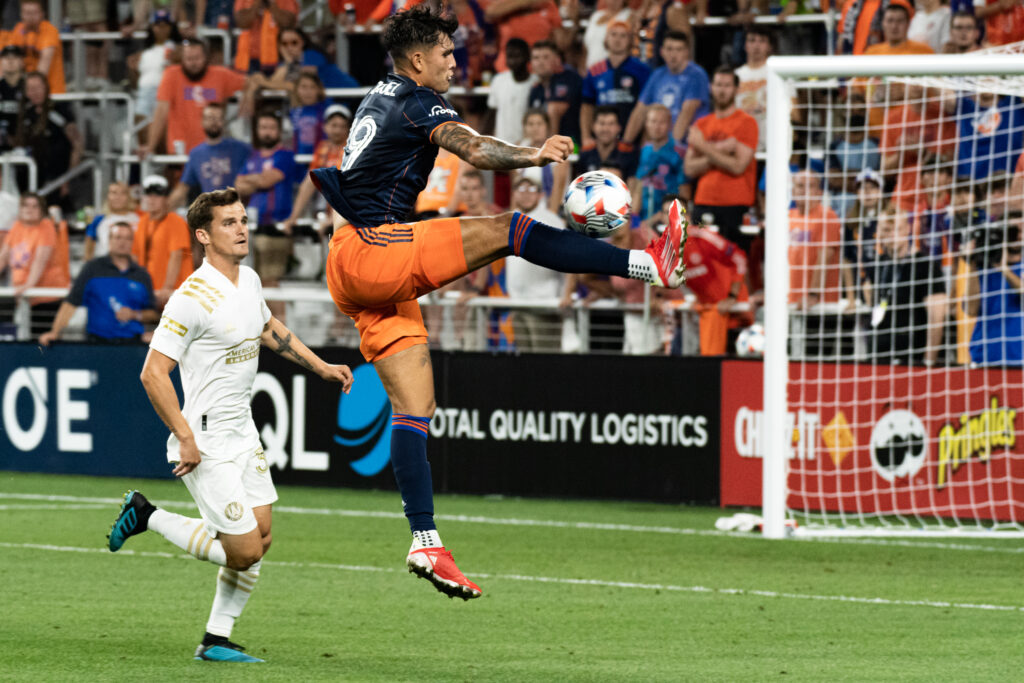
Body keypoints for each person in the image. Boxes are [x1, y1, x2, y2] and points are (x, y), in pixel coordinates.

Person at [309, 7, 687, 599]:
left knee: (414, 409)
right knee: (510, 228)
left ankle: (426, 542)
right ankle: (649, 264)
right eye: (444, 53)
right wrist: (534, 154)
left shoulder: (381, 91)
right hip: (372, 249)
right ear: (416, 60)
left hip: (348, 259)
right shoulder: (416, 99)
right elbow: (476, 150)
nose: (454, 63)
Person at [106, 187, 353, 663]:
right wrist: (184, 436)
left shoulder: (250, 280)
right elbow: (153, 372)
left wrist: (321, 366)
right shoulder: (188, 299)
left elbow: (267, 329)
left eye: (243, 220)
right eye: (229, 222)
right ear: (203, 235)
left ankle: (215, 640)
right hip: (205, 437)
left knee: (261, 537)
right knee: (243, 553)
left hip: (242, 430)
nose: (242, 229)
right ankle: (146, 515)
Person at [40, 222, 156, 345]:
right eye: (118, 237)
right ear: (109, 240)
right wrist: (55, 331)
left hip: (133, 344)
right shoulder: (92, 269)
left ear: (132, 242)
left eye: (127, 238)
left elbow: (153, 314)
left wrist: (134, 314)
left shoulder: (142, 275)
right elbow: (71, 303)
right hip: (97, 344)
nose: (122, 242)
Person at [684, 66, 758, 255]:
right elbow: (689, 168)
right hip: (702, 202)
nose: (722, 90)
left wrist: (704, 147)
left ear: (736, 89)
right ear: (711, 87)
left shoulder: (746, 123)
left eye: (727, 85)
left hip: (735, 205)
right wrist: (722, 148)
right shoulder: (702, 124)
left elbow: (738, 166)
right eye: (718, 85)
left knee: (736, 263)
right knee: (703, 262)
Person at [865, 205, 949, 365]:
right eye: (887, 230)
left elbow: (937, 318)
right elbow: (872, 300)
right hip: (878, 354)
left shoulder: (926, 266)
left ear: (907, 229)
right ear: (879, 232)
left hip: (912, 356)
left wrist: (928, 361)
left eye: (897, 229)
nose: (892, 236)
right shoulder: (877, 265)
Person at [236, 110, 296, 317]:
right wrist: (258, 179)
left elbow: (266, 181)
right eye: (263, 128)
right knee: (255, 281)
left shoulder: (285, 155)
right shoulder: (252, 157)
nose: (267, 132)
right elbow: (238, 186)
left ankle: (282, 331)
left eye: (271, 128)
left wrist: (254, 181)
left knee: (271, 281)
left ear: (279, 131)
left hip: (275, 227)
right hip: (251, 228)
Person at [144, 40, 249, 156]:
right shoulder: (171, 75)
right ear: (182, 59)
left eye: (197, 58)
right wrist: (150, 146)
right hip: (180, 150)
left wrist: (250, 96)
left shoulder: (220, 75)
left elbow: (249, 82)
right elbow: (161, 111)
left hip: (211, 150)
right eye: (189, 59)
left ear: (206, 58)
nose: (193, 63)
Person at [504, 173, 565, 351]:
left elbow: (569, 261)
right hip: (517, 304)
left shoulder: (552, 222)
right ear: (514, 194)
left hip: (544, 304)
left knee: (545, 362)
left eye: (531, 189)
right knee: (524, 363)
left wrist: (566, 294)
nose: (525, 194)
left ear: (540, 194)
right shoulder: (510, 222)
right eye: (521, 189)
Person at [0, 192, 70, 335]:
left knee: (41, 341)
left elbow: (40, 260)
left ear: (41, 210)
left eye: (34, 206)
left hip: (47, 295)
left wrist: (28, 286)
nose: (29, 210)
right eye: (25, 206)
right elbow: (3, 257)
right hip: (26, 295)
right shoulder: (17, 226)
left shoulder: (46, 227)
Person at [623, 30, 709, 146]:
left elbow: (686, 114)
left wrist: (669, 148)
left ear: (687, 52)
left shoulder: (696, 75)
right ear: (661, 52)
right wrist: (625, 144)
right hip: (658, 144)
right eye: (669, 49)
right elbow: (640, 110)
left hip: (685, 146)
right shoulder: (658, 74)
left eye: (679, 49)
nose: (673, 54)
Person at [13, 71, 82, 208]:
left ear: (46, 88)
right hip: (32, 176)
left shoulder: (59, 111)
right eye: (31, 89)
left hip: (57, 177)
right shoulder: (25, 114)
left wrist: (67, 179)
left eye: (39, 87)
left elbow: (77, 145)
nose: (35, 92)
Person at [169, 102, 253, 210]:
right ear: (202, 121)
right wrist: (165, 207)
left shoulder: (240, 148)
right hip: (210, 212)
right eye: (210, 118)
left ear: (223, 121)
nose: (214, 122)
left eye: (218, 118)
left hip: (236, 210)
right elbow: (183, 187)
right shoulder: (196, 154)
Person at [965, 212, 1024, 364]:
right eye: (1013, 230)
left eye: (1022, 229)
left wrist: (1004, 269)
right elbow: (970, 310)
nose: (1018, 235)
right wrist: (971, 262)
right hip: (984, 355)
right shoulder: (984, 266)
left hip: (1019, 357)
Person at [283, 103, 350, 234]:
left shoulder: (352, 148)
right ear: (325, 127)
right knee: (311, 178)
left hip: (345, 213)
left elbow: (348, 184)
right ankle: (295, 217)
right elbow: (309, 181)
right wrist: (294, 217)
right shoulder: (323, 148)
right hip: (327, 212)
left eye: (342, 126)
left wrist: (334, 219)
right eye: (334, 125)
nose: (337, 130)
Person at [579, 20, 651, 142]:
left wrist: (645, 139)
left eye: (623, 35)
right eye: (613, 34)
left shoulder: (642, 70)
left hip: (633, 140)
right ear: (606, 38)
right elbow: (587, 106)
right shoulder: (595, 71)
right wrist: (586, 137)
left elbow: (646, 107)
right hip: (601, 139)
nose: (618, 40)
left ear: (630, 40)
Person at [133, 175, 194, 307]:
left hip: (173, 292)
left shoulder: (175, 221)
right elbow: (136, 256)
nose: (152, 199)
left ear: (166, 199)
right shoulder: (143, 221)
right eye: (149, 195)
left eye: (157, 195)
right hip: (150, 291)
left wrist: (167, 288)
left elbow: (176, 256)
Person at [788, 169, 842, 308]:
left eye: (810, 186)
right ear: (793, 191)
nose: (804, 190)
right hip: (791, 298)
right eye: (800, 186)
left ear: (819, 192)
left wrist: (813, 295)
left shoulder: (827, 216)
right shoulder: (788, 217)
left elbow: (825, 257)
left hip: (818, 303)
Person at [633, 104, 685, 219]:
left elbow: (685, 189)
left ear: (670, 125)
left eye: (662, 122)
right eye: (653, 121)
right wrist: (634, 217)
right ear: (646, 124)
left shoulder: (679, 152)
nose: (656, 127)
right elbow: (639, 184)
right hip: (644, 218)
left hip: (667, 217)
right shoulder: (644, 150)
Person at [527, 41, 583, 145]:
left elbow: (554, 110)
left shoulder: (568, 78)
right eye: (536, 58)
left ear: (557, 60)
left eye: (546, 57)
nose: (540, 62)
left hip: (572, 145)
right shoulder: (536, 89)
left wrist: (549, 150)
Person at [3, 0, 64, 94]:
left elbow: (44, 65)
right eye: (27, 13)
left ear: (42, 14)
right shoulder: (18, 29)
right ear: (21, 14)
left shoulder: (50, 30)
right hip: (27, 93)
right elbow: (8, 58)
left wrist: (32, 88)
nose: (30, 17)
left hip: (50, 93)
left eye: (34, 13)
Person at [486, 39, 537, 148]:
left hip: (527, 145)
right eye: (510, 57)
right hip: (502, 144)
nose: (513, 61)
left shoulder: (535, 83)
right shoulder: (499, 80)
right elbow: (492, 113)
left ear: (527, 57)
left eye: (517, 56)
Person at [734, 26, 772, 156]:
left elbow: (793, 111)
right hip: (740, 143)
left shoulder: (777, 73)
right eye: (752, 40)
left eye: (762, 41)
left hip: (771, 143)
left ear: (769, 46)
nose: (756, 45)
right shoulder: (735, 75)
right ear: (745, 45)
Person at [233, 0, 298, 73]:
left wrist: (272, 4)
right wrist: (256, 5)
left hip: (279, 57)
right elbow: (241, 22)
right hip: (248, 58)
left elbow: (288, 23)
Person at [575, 105, 638, 179]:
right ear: (593, 126)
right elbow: (579, 185)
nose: (605, 129)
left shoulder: (628, 153)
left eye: (611, 124)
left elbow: (633, 185)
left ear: (619, 127)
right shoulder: (585, 153)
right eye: (602, 123)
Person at [84, 182, 142, 260]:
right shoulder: (98, 220)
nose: (118, 197)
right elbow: (88, 250)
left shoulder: (139, 218)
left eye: (123, 193)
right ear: (108, 196)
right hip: (105, 267)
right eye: (114, 193)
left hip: (133, 267)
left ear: (128, 196)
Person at [864, 1, 935, 55]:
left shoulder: (923, 52)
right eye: (890, 21)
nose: (894, 26)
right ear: (883, 24)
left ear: (908, 24)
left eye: (900, 21)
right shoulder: (872, 53)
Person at [582, 0, 632, 69]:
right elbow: (586, 46)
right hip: (591, 69)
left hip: (614, 69)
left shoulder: (629, 15)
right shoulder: (596, 15)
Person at [0, 44, 25, 151]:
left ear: (22, 61)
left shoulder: (29, 88)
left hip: (25, 145)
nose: (10, 61)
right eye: (6, 58)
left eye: (15, 57)